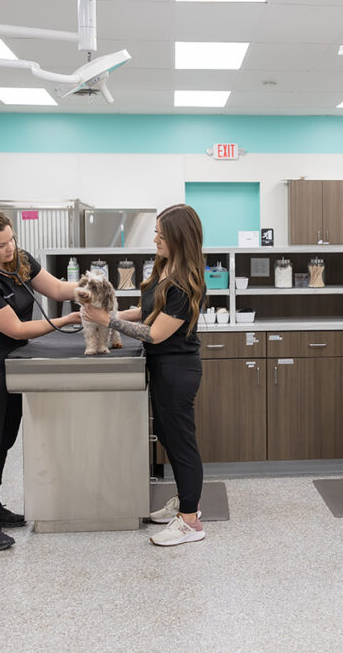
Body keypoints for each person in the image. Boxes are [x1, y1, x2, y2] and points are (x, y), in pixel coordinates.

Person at [0, 208, 81, 551]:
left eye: (12, 240)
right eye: (0, 245)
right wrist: (68, 321)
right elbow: (17, 328)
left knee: (5, 436)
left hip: (14, 362)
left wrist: (87, 287)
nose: (10, 249)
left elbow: (56, 288)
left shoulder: (19, 261)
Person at [81, 204, 206, 547]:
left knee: (181, 444)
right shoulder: (165, 269)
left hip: (177, 370)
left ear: (179, 239)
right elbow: (149, 312)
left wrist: (108, 322)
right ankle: (186, 503)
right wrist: (108, 312)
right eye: (156, 233)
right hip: (162, 367)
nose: (155, 240)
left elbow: (155, 334)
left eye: (161, 235)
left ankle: (191, 522)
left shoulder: (185, 283)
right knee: (168, 434)